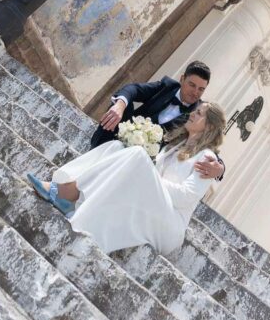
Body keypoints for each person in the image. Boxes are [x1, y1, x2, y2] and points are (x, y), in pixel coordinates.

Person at [27, 101, 226, 255]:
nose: (192, 113)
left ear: (209, 127)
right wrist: (146, 178)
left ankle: (66, 193)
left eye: (199, 113)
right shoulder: (173, 146)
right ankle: (75, 197)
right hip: (155, 205)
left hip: (170, 224)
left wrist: (148, 179)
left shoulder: (207, 159)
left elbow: (185, 197)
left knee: (139, 156)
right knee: (118, 147)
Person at [91, 60, 224, 181]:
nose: (195, 92)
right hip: (125, 137)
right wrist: (120, 105)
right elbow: (134, 89)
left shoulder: (198, 114)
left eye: (201, 89)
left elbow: (211, 141)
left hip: (146, 160)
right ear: (182, 79)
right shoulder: (167, 86)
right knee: (122, 105)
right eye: (192, 85)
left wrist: (220, 168)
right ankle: (94, 154)